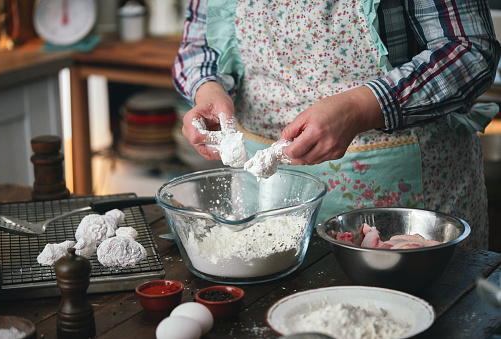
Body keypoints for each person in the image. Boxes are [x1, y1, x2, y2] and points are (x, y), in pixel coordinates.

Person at [172, 0, 501, 249]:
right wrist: (209, 90)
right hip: (265, 194)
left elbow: (470, 50)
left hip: (402, 202)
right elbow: (198, 47)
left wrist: (358, 109)